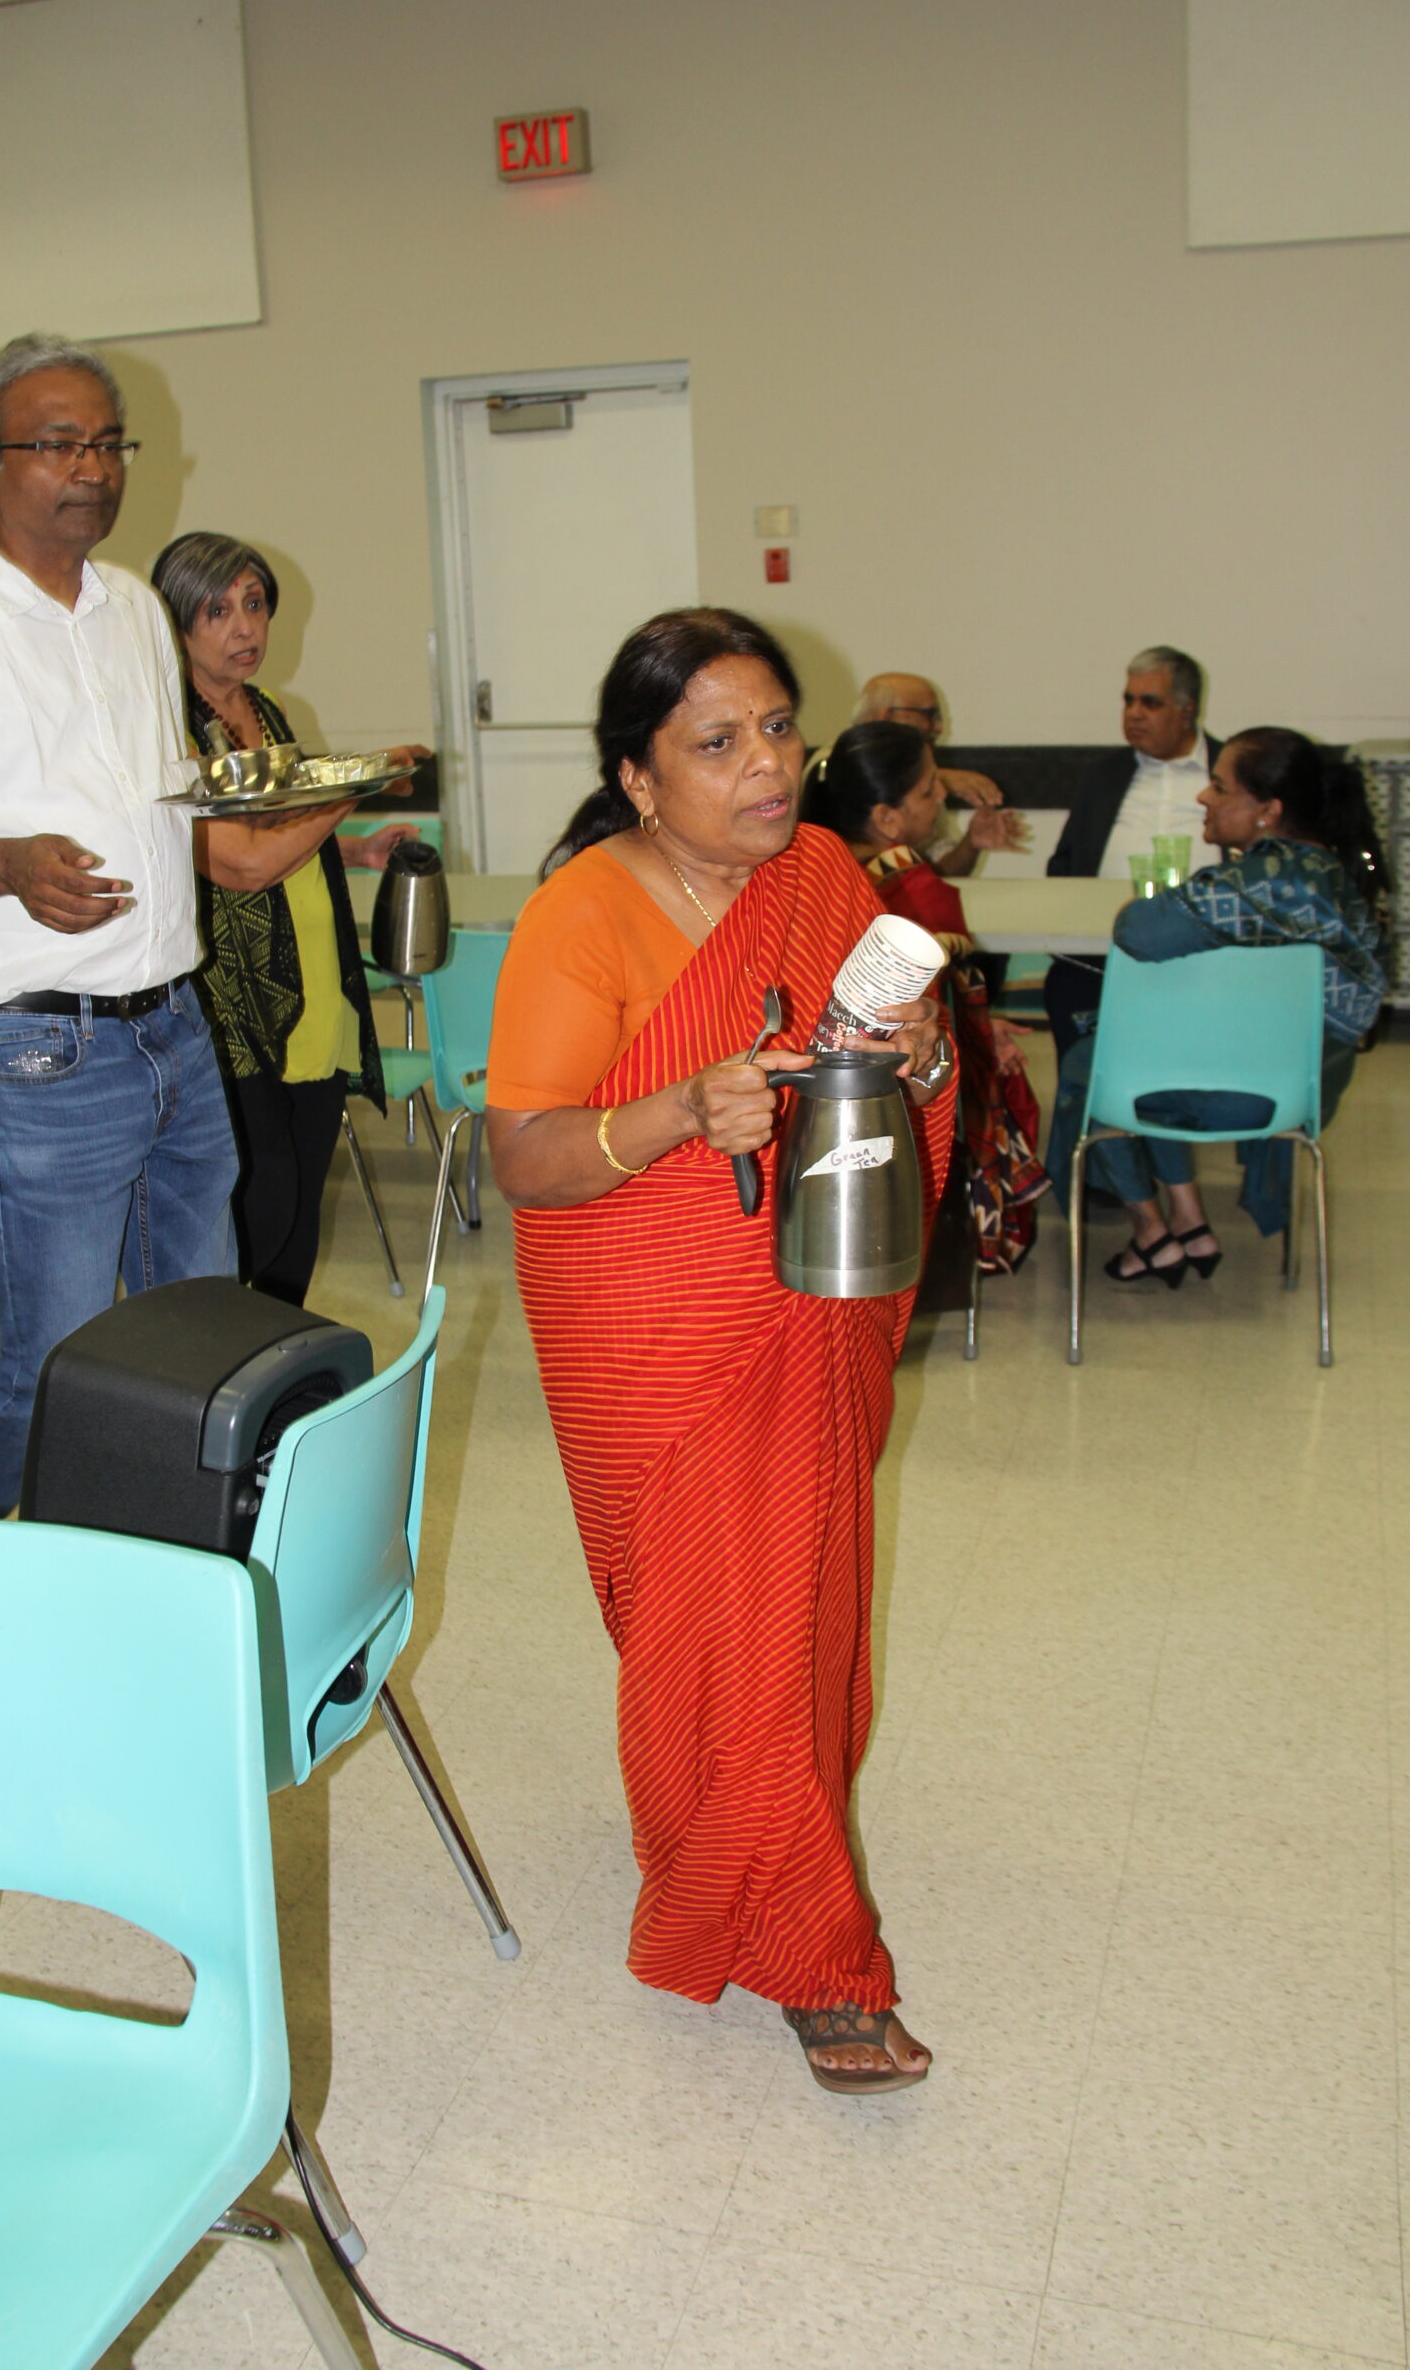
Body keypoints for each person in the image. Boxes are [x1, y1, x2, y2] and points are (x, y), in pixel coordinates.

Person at [485, 609, 956, 2095]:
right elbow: (524, 1155)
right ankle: (806, 1940)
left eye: (778, 728)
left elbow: (911, 1060)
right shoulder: (583, 912)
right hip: (648, 1315)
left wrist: (924, 1050)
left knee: (778, 1612)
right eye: (716, 741)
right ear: (637, 778)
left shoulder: (822, 875)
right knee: (716, 1613)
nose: (765, 764)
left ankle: (772, 1886)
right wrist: (684, 1109)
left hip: (800, 1295)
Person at [0, 334, 417, 1517]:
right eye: (57, 443)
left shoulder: (136, 608)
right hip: (40, 1043)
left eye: (107, 442)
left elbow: (158, 806)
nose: (90, 467)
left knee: (193, 1346)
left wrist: (299, 807)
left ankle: (146, 1564)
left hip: (175, 1024)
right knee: (51, 1369)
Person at [151, 532, 417, 1305]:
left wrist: (357, 848)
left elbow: (287, 831)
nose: (244, 627)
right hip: (232, 1006)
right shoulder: (167, 728)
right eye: (217, 611)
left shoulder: (266, 711)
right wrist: (359, 786)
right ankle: (228, 1360)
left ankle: (278, 1359)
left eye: (255, 604)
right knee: (260, 1199)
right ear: (176, 623)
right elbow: (243, 865)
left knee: (299, 1201)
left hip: (313, 987)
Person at [1045, 726, 1388, 1281]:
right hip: (1300, 1090)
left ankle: (1152, 1230)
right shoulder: (1340, 880)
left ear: (1268, 811)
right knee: (1154, 1045)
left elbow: (1139, 931)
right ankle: (1189, 1220)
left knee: (1097, 1061)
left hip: (1229, 1093)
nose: (1204, 797)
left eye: (1220, 788)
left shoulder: (1255, 884)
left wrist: (1147, 901)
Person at [799, 721, 1048, 1276]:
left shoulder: (820, 868)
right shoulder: (905, 880)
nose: (941, 799)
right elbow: (939, 991)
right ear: (887, 818)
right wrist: (978, 1031)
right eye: (931, 789)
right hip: (900, 1071)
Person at [1044, 647, 1223, 1064]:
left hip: (1210, 953)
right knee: (1064, 985)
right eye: (1128, 700)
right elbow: (1064, 865)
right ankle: (1090, 1095)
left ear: (1187, 710)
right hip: (1106, 953)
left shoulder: (1228, 771)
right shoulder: (1103, 775)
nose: (1134, 713)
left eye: (1150, 703)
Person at [854, 671, 1027, 875]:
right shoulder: (831, 768)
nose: (938, 728)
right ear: (887, 716)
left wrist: (971, 843)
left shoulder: (928, 777)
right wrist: (934, 779)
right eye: (928, 714)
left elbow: (936, 876)